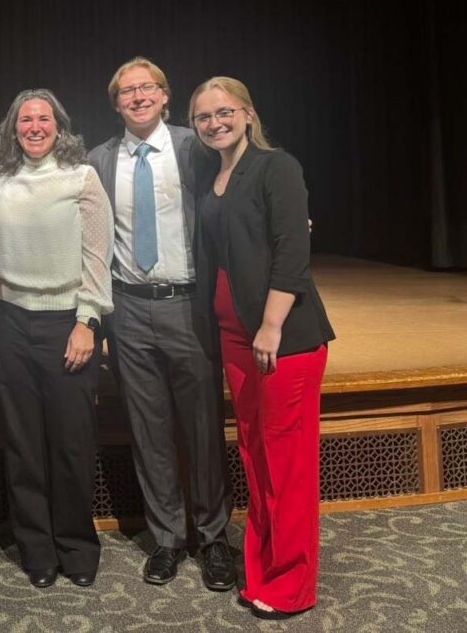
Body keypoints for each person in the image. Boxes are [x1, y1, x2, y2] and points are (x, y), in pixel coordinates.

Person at [86, 57, 236, 591]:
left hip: (189, 306)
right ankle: (167, 538)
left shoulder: (195, 145)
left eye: (147, 87)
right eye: (127, 90)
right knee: (148, 429)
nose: (138, 96)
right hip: (127, 309)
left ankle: (214, 536)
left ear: (166, 96)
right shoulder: (98, 161)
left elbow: (244, 179)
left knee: (201, 425)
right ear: (116, 102)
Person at [189, 76, 334, 620]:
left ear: (248, 113)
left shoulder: (277, 166)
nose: (214, 122)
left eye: (224, 112)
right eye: (203, 117)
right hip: (233, 339)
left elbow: (293, 249)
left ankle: (292, 585)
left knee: (287, 464)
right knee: (256, 458)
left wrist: (271, 325)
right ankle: (263, 570)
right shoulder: (213, 176)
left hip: (282, 340)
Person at [0, 89, 113, 588]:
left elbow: (98, 257)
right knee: (23, 441)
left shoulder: (82, 177)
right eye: (24, 119)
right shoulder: (2, 178)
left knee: (72, 441)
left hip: (69, 324)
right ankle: (36, 547)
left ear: (59, 125)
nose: (34, 126)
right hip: (14, 322)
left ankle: (77, 545)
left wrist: (89, 322)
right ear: (12, 129)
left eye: (43, 118)